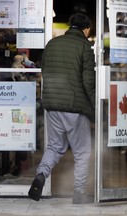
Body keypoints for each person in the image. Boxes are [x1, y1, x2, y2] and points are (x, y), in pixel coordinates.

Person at [28, 13, 96, 204]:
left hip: (53, 105)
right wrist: (96, 107)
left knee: (55, 147)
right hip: (75, 106)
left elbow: (44, 72)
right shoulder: (85, 47)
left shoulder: (52, 44)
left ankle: (41, 175)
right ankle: (79, 193)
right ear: (87, 29)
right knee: (82, 152)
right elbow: (88, 82)